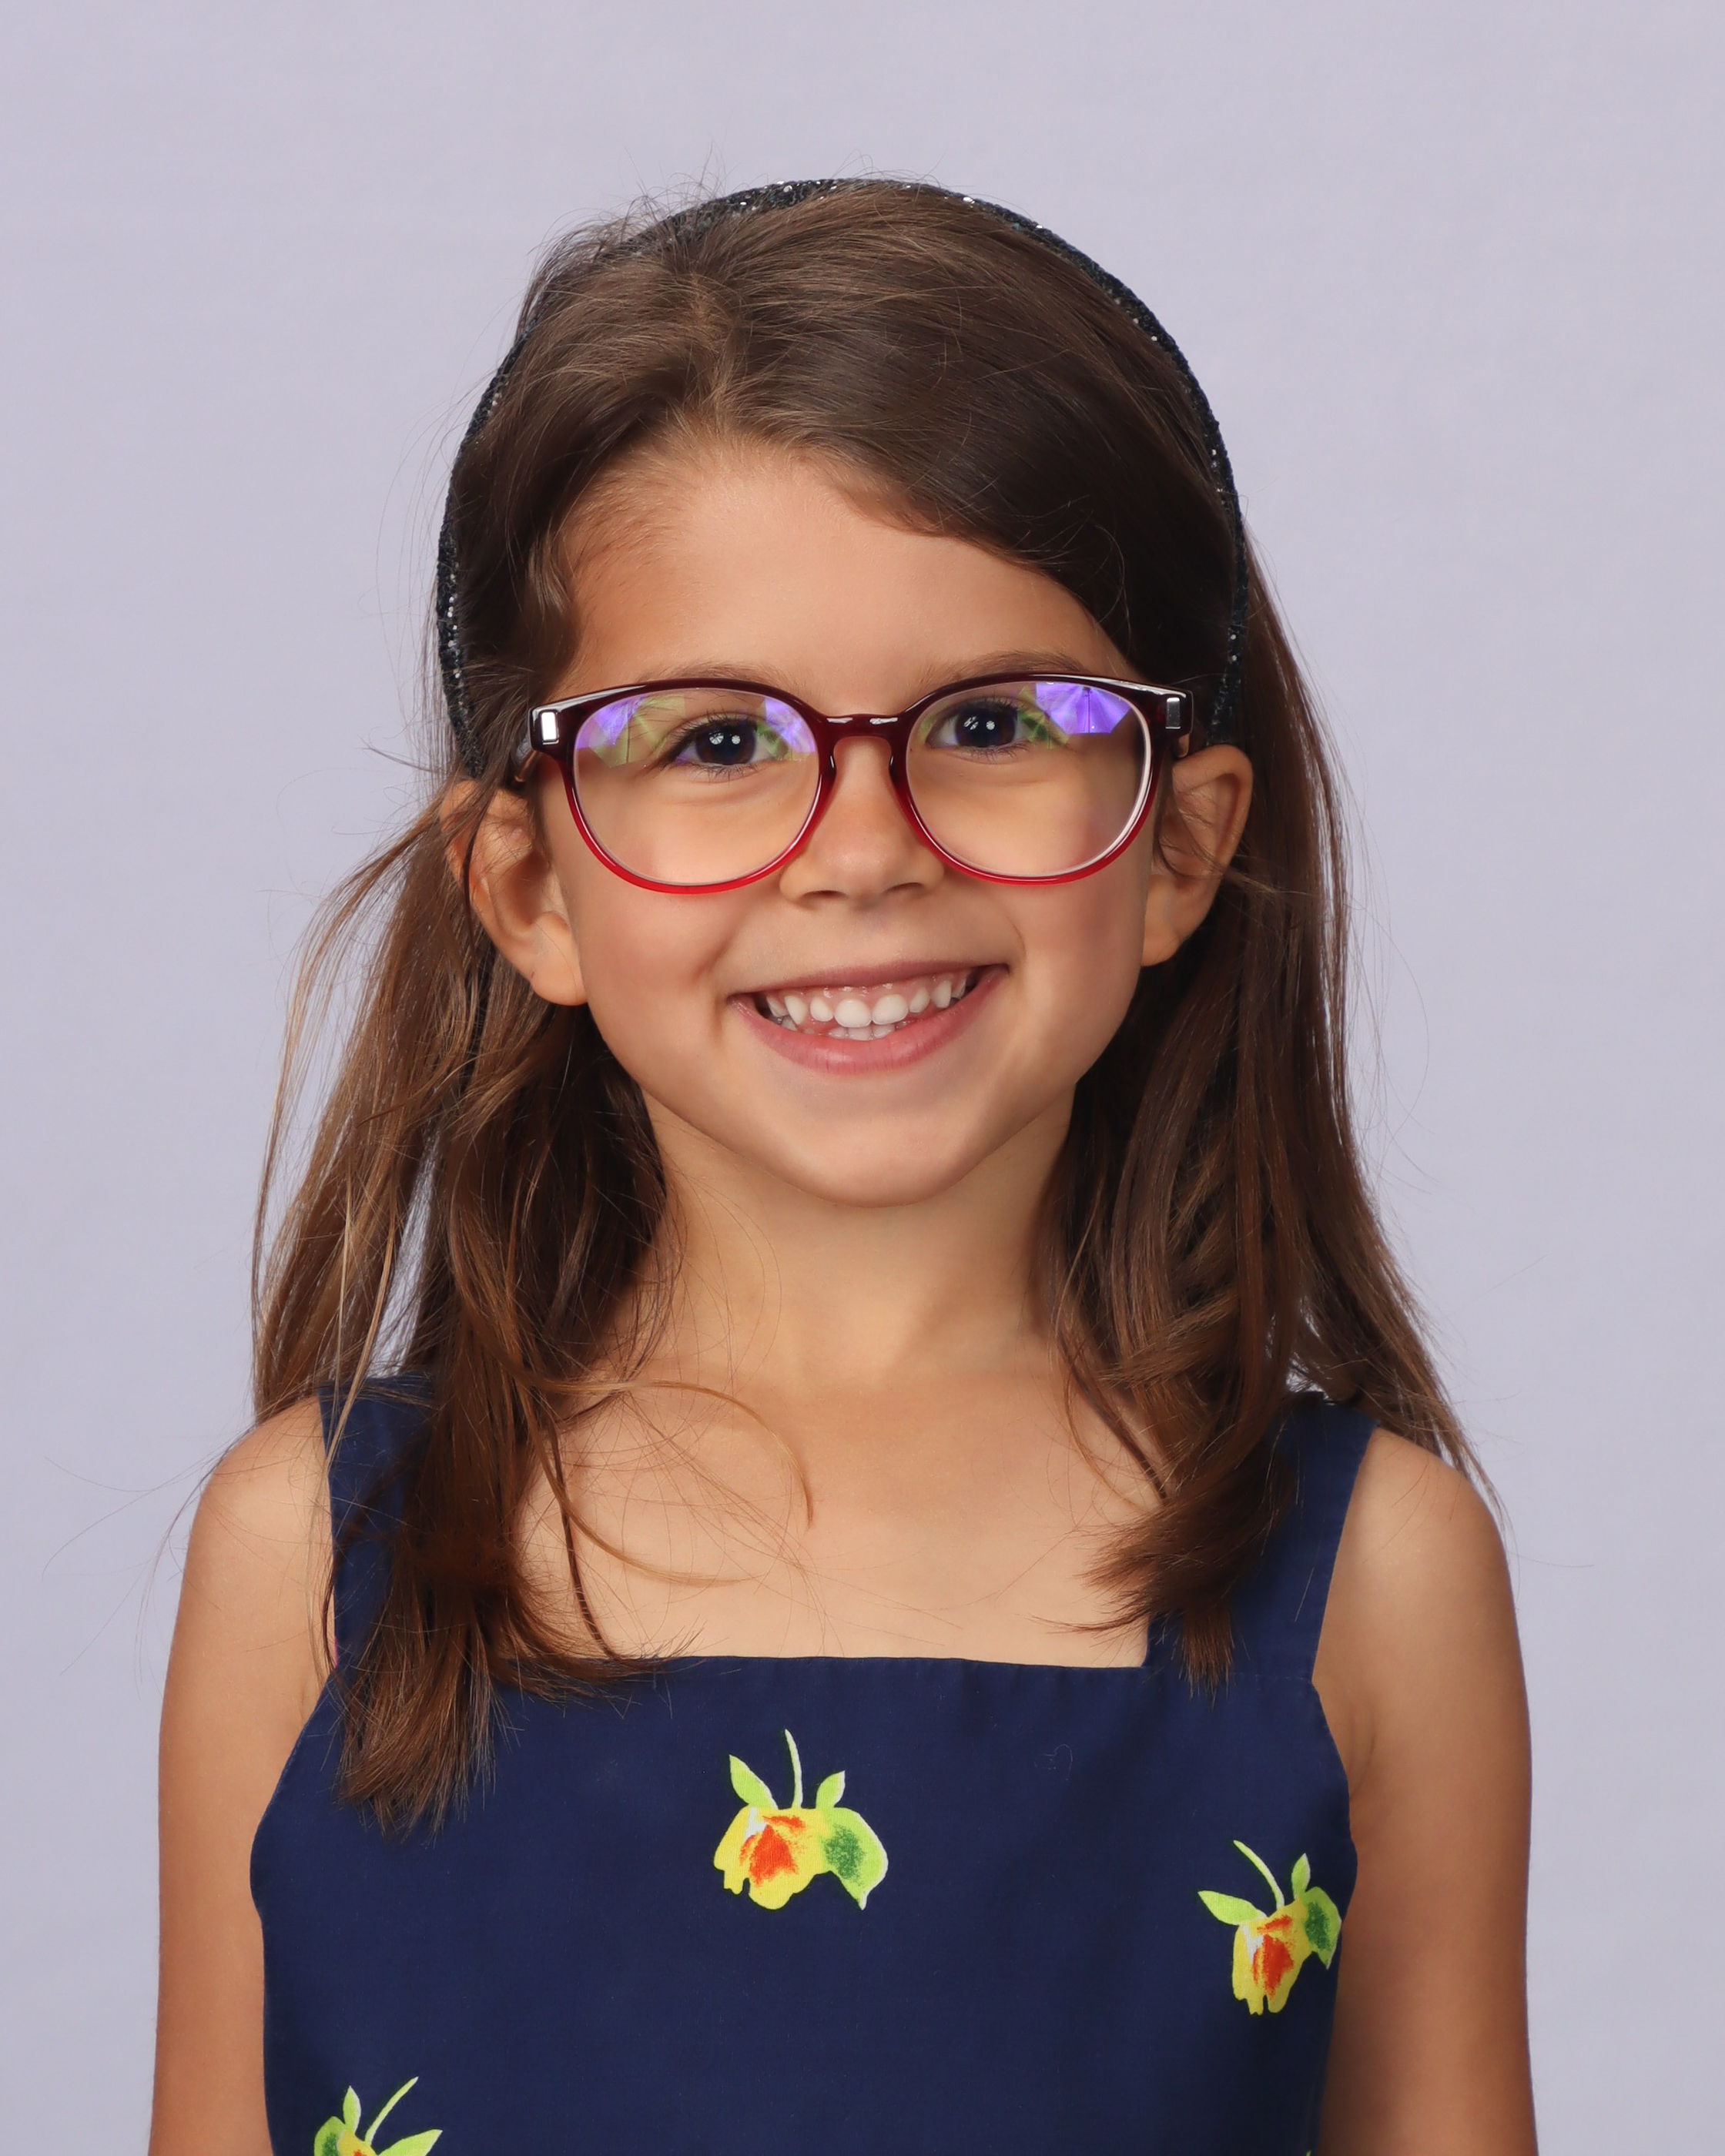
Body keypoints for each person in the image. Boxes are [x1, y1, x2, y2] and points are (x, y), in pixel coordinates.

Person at [150, 180, 1536, 2156]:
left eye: (991, 720)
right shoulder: (305, 1551)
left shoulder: (1378, 1576)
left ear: (1178, 843)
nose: (863, 848)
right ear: (526, 886)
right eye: (715, 742)